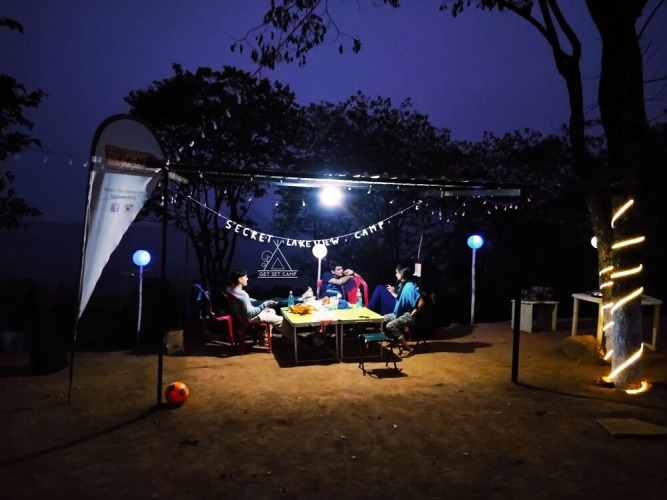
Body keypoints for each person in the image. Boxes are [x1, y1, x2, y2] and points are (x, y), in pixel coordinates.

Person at [228, 268, 293, 343]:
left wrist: (250, 300)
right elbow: (251, 313)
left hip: (242, 317)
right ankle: (295, 340)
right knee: (280, 320)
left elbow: (242, 302)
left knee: (271, 311)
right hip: (249, 318)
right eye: (245, 277)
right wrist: (265, 304)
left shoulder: (232, 291)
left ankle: (265, 339)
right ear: (240, 279)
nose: (247, 279)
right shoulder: (243, 294)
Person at [382, 265, 419, 357]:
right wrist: (393, 292)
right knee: (382, 318)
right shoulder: (402, 284)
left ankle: (408, 349)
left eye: (397, 273)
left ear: (402, 274)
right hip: (400, 313)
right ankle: (393, 340)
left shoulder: (410, 286)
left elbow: (421, 301)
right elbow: (400, 299)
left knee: (390, 325)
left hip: (407, 315)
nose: (396, 275)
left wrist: (413, 314)